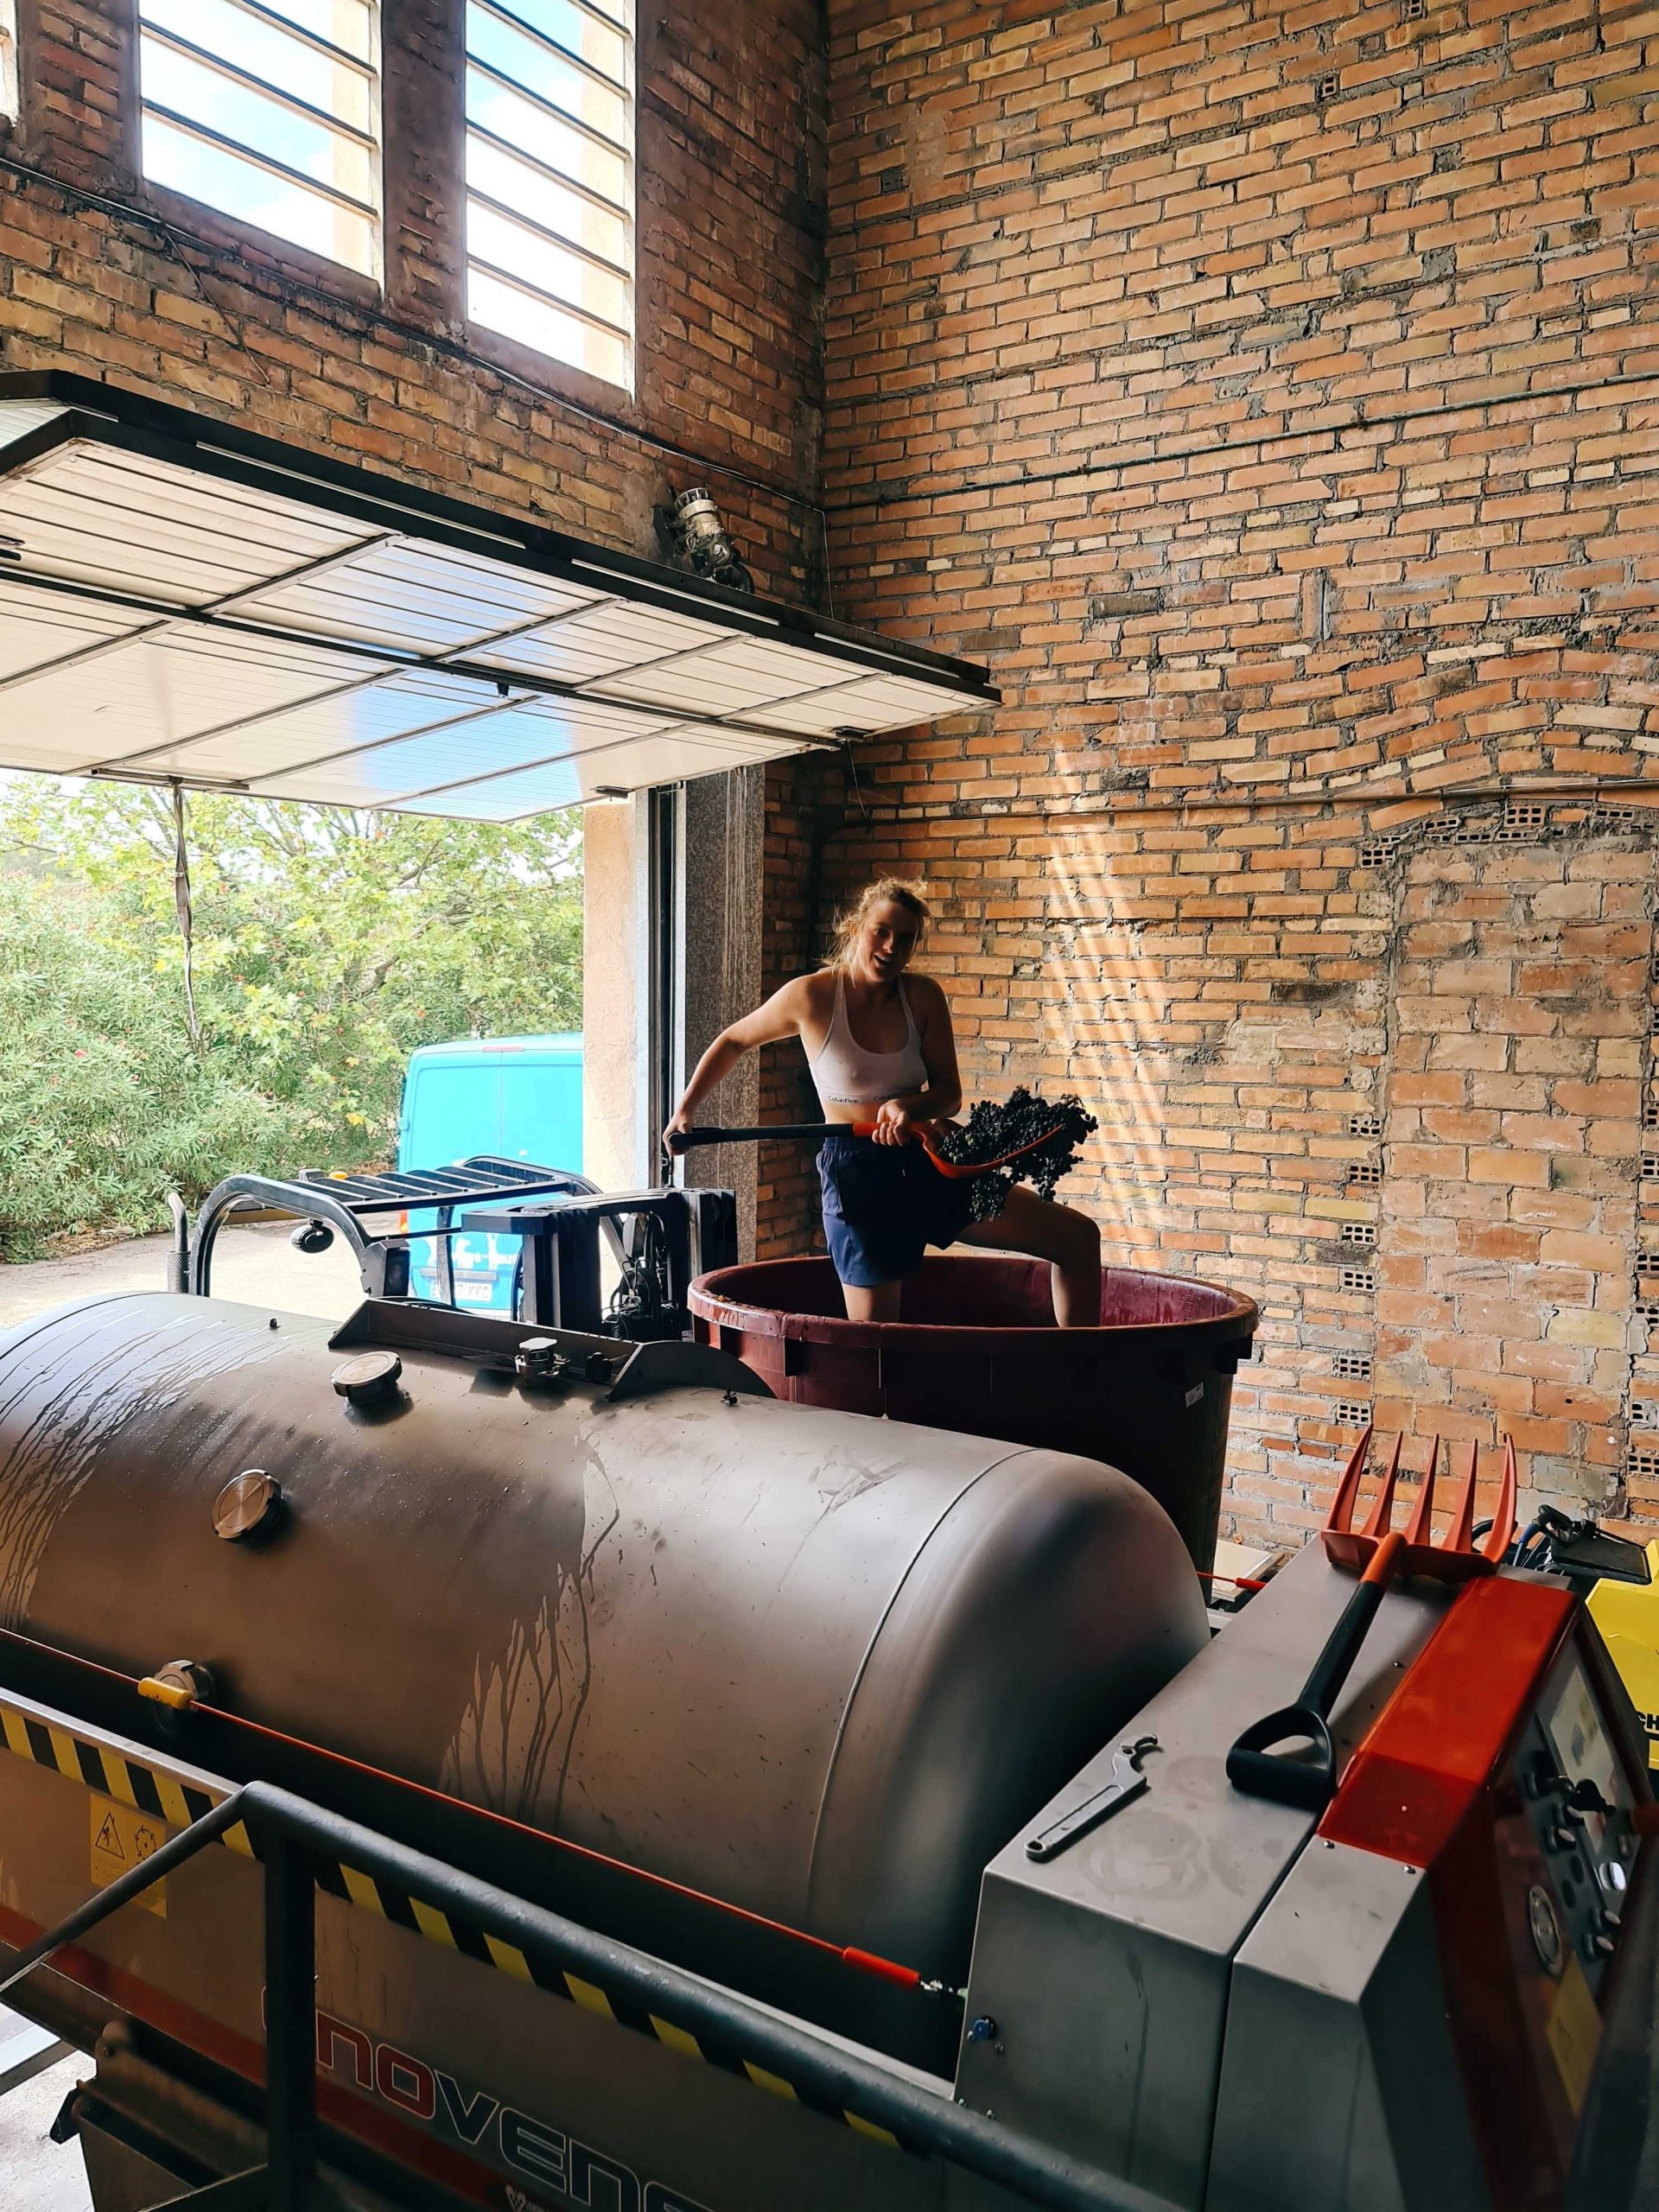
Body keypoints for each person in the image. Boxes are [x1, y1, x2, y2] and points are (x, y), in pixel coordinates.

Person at [663, 878, 1102, 1325]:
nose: (892, 947)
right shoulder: (812, 996)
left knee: (1078, 1238)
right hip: (858, 1177)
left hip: (932, 1159)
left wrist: (910, 1106)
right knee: (878, 1340)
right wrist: (685, 1111)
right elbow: (734, 1040)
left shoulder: (923, 997)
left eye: (906, 939)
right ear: (856, 928)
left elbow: (949, 1094)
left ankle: (1076, 1377)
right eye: (881, 931)